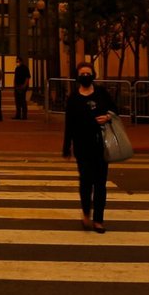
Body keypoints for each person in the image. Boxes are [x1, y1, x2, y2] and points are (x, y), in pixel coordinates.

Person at [61, 60, 116, 233]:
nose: (85, 76)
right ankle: (86, 214)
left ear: (93, 75)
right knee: (85, 181)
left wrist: (107, 117)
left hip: (101, 144)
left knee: (100, 183)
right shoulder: (73, 98)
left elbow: (115, 110)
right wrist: (66, 146)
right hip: (82, 145)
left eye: (88, 73)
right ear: (77, 77)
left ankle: (98, 220)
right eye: (82, 74)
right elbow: (69, 124)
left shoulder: (101, 93)